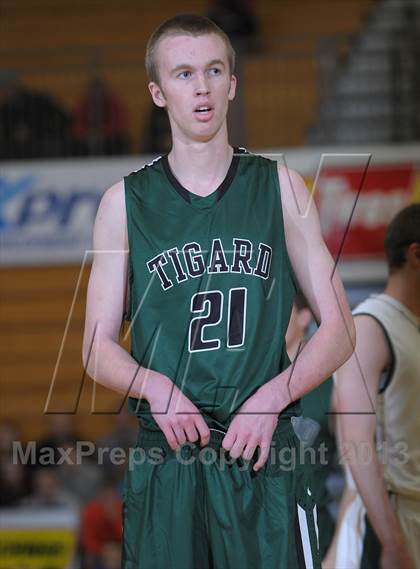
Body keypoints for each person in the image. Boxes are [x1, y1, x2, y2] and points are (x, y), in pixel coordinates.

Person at [82, 14, 355, 568]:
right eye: (183, 74)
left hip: (259, 452)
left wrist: (274, 397)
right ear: (158, 93)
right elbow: (94, 347)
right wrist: (154, 387)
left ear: (232, 83)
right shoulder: (123, 204)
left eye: (213, 70)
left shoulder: (279, 186)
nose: (201, 86)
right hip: (168, 462)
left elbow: (341, 328)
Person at [329, 204, 419, 569]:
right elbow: (355, 445)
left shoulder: (410, 325)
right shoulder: (370, 325)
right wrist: (392, 542)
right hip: (385, 522)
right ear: (416, 254)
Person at [285, 292, 337, 561]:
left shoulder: (333, 384)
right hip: (262, 532)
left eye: (283, 308)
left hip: (315, 530)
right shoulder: (251, 378)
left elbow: (357, 473)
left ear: (305, 317)